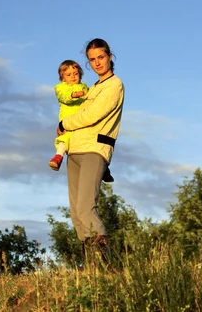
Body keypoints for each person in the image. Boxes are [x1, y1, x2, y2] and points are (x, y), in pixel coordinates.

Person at [56, 38, 124, 249]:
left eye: (101, 57)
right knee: (76, 213)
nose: (97, 63)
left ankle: (108, 265)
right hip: (74, 151)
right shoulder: (89, 88)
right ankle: (93, 272)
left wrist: (64, 123)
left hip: (94, 149)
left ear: (109, 57)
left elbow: (92, 115)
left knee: (86, 207)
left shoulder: (114, 85)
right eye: (92, 59)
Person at [48, 60, 89, 171]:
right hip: (68, 118)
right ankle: (58, 156)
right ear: (62, 77)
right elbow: (64, 97)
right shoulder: (61, 87)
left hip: (82, 120)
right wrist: (73, 95)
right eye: (69, 75)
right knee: (65, 138)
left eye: (76, 74)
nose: (73, 77)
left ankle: (103, 168)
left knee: (89, 140)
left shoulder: (84, 87)